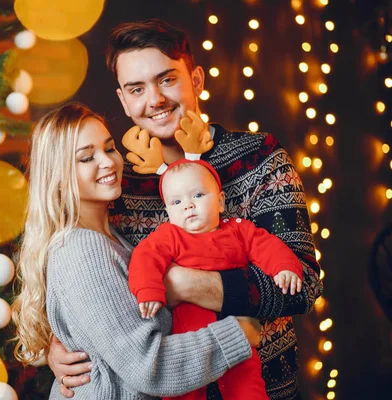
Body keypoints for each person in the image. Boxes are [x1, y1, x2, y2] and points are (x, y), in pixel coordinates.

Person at [48, 19, 323, 400]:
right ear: (124, 100)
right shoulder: (118, 184)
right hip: (165, 391)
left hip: (265, 385)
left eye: (167, 80)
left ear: (195, 79)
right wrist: (63, 345)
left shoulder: (261, 159)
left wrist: (182, 284)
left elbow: (303, 286)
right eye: (136, 89)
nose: (154, 99)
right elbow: (92, 283)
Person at [12, 102, 262, 399]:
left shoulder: (112, 238)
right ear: (58, 177)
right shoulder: (82, 249)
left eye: (109, 148)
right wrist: (238, 334)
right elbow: (147, 365)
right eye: (86, 157)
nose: (107, 162)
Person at [128, 158, 303, 400]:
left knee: (248, 386)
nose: (188, 206)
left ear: (220, 201)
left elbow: (267, 245)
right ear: (168, 211)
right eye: (176, 202)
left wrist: (283, 268)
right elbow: (145, 258)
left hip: (238, 334)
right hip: (188, 342)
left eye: (198, 195)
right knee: (183, 392)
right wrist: (148, 290)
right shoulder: (169, 236)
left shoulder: (238, 230)